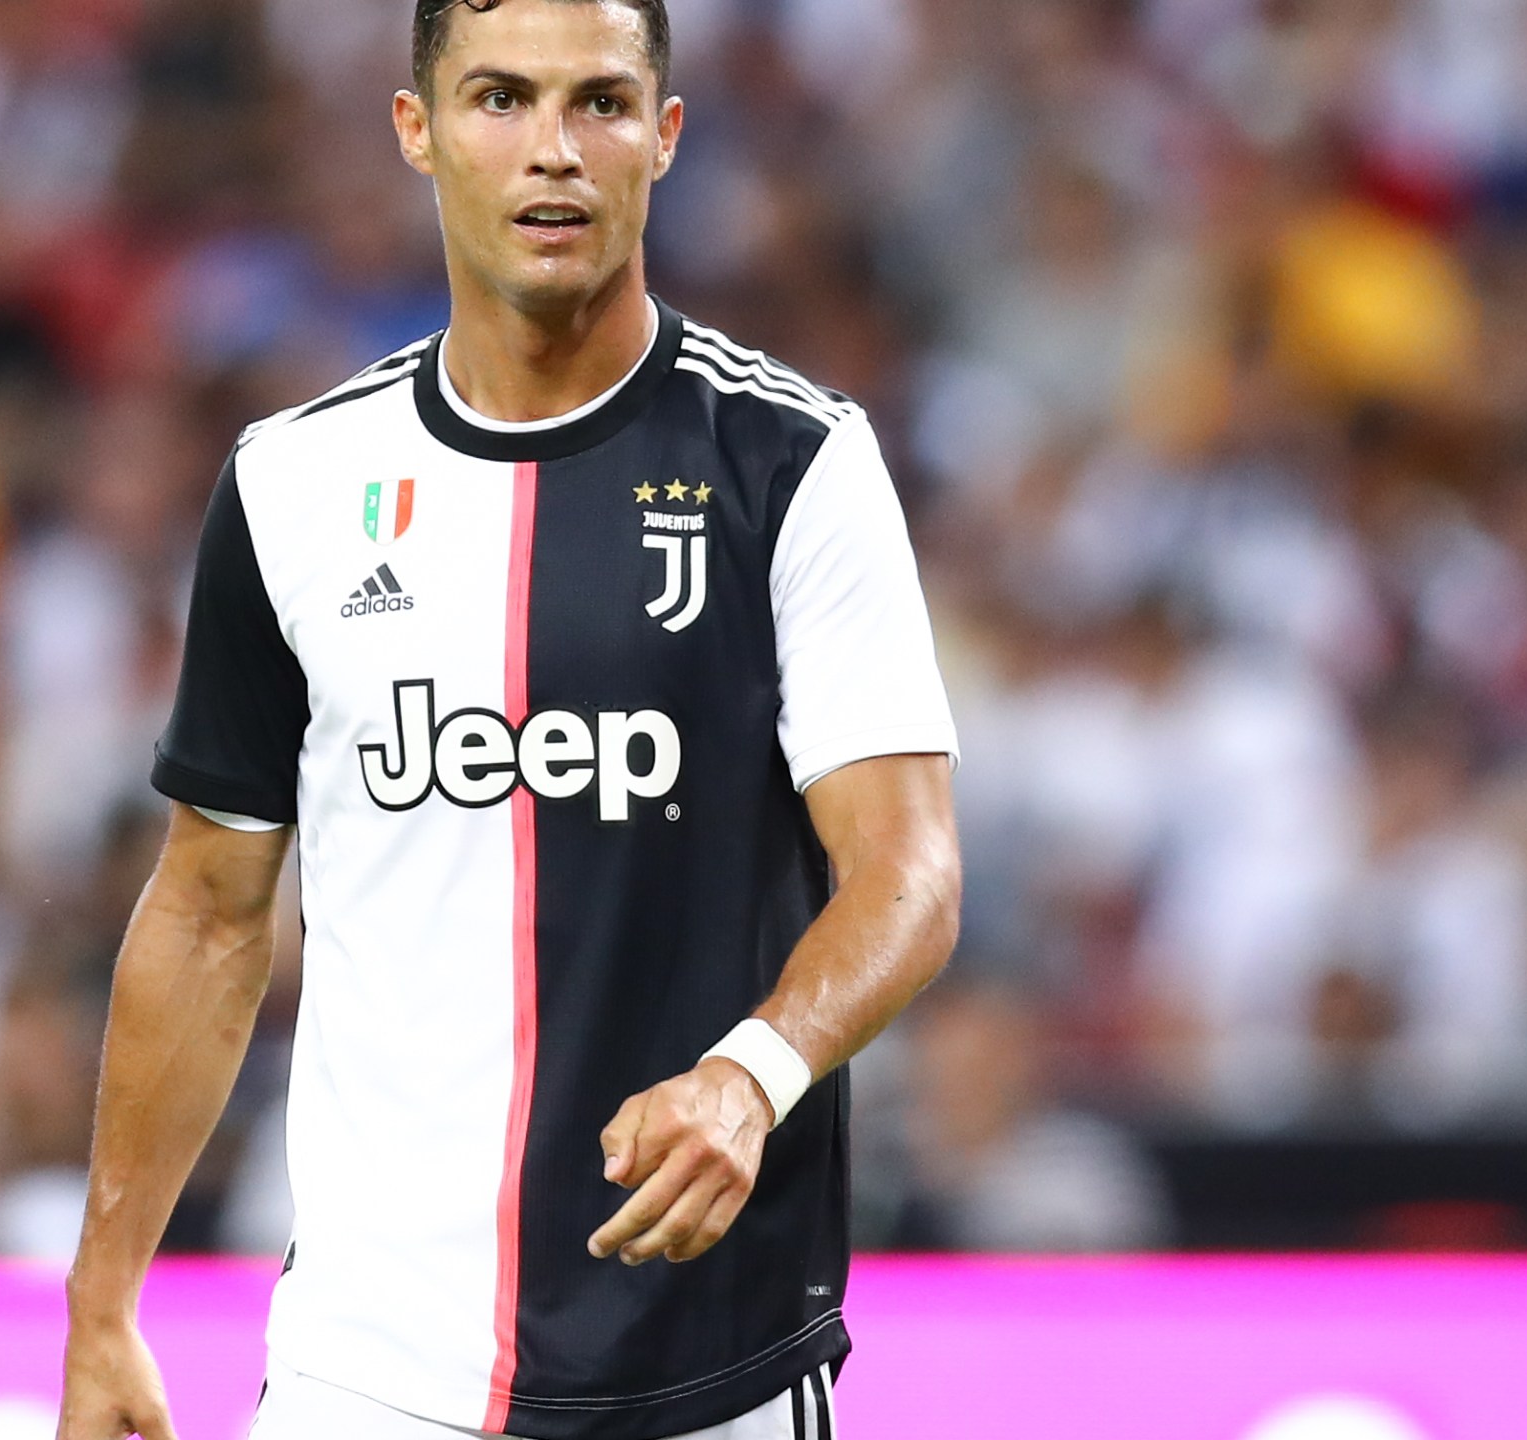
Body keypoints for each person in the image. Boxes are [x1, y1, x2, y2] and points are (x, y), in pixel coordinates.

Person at [57, 2, 961, 1437]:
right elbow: (208, 914)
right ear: (416, 131)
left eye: (601, 102)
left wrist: (751, 1074)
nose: (553, 150)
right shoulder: (293, 486)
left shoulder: (792, 463)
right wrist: (104, 1300)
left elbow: (909, 875)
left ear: (663, 139)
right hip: (367, 1369)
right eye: (499, 99)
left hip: (703, 1370)